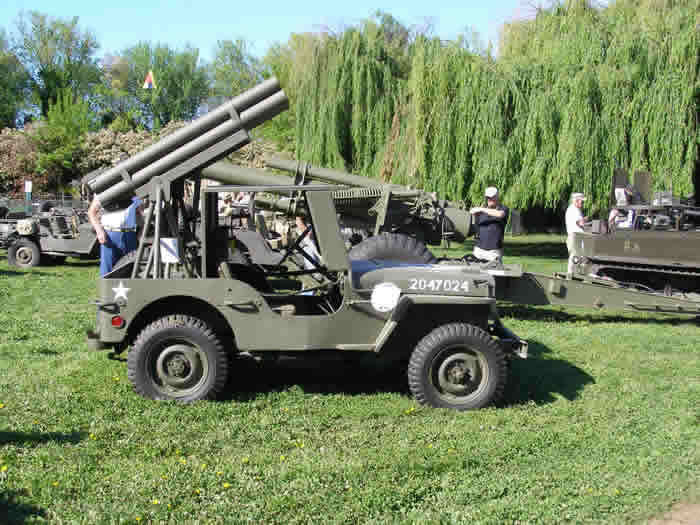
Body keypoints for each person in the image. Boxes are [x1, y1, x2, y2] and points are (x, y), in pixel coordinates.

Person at [88, 194, 143, 276]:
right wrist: (99, 231)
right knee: (107, 271)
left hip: (130, 235)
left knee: (132, 269)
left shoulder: (133, 192)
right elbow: (91, 212)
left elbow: (140, 213)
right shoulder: (104, 190)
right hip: (110, 235)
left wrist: (141, 233)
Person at [470, 186, 509, 262]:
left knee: (494, 269)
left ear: (497, 197)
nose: (489, 199)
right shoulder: (480, 211)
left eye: (492, 197)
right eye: (487, 197)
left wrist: (481, 209)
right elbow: (473, 225)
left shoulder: (503, 208)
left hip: (494, 252)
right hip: (479, 250)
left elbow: (500, 214)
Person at [565, 192, 587, 275]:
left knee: (578, 256)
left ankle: (576, 273)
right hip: (575, 236)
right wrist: (587, 220)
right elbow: (580, 223)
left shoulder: (575, 209)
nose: (583, 203)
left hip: (577, 236)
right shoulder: (573, 210)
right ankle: (571, 274)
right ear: (577, 200)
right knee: (575, 256)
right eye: (582, 201)